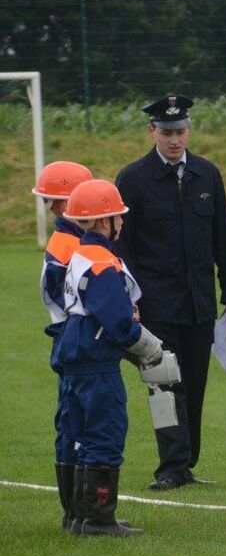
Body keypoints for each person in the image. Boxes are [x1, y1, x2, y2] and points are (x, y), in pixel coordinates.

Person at [114, 94, 226, 491]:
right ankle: (170, 466)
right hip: (155, 306)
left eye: (181, 131)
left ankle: (187, 463)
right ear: (152, 131)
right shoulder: (132, 179)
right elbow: (123, 247)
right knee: (165, 387)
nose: (175, 139)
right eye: (167, 132)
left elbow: (223, 235)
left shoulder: (208, 174)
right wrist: (131, 299)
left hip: (199, 304)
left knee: (196, 387)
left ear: (189, 130)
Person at [56, 179, 163, 536]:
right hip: (96, 358)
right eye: (118, 216)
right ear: (105, 222)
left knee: (82, 435)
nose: (122, 223)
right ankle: (99, 520)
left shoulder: (81, 254)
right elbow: (118, 320)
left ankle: (81, 516)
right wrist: (148, 347)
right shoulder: (102, 261)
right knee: (105, 433)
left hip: (75, 352)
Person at [31, 161, 93, 529]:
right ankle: (82, 511)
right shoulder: (69, 243)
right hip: (76, 341)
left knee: (72, 423)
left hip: (68, 339)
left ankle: (76, 510)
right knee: (81, 424)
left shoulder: (68, 239)